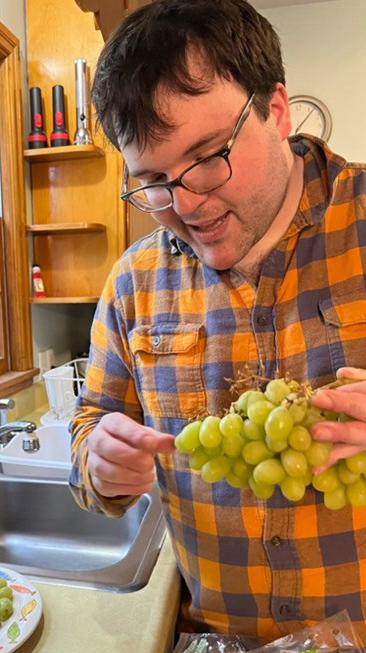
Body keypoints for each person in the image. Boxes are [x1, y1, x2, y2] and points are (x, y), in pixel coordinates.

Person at [69, 0, 366, 642]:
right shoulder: (132, 284)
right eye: (151, 181)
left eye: (207, 155)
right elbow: (90, 425)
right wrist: (97, 464)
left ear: (276, 110)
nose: (186, 202)